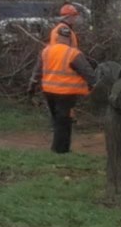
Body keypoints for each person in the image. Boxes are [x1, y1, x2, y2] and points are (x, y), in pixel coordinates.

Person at [32, 22, 96, 154]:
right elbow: (87, 72)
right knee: (64, 120)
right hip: (67, 93)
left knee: (57, 119)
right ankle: (60, 149)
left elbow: (37, 72)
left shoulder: (46, 51)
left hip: (49, 91)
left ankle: (60, 148)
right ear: (70, 39)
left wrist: (31, 87)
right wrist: (96, 85)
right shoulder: (73, 53)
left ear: (56, 37)